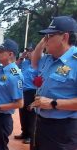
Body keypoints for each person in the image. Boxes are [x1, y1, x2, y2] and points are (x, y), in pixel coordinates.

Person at [30, 16, 77, 150]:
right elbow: (34, 62)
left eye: (50, 36)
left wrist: (53, 103)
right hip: (41, 123)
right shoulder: (49, 59)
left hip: (63, 129)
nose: (46, 40)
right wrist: (43, 41)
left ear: (64, 37)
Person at [14, 45, 37, 145]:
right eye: (27, 51)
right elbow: (15, 66)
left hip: (32, 92)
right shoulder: (25, 63)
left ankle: (30, 136)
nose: (28, 53)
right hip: (22, 91)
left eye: (31, 51)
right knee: (22, 113)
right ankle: (24, 132)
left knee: (30, 115)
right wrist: (21, 57)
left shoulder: (38, 64)